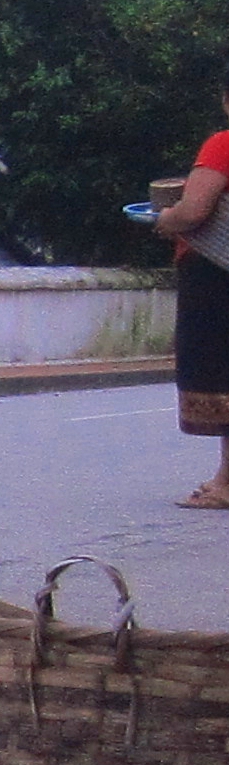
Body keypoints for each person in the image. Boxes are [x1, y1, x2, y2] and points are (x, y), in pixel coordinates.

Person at [155, 70, 229, 508]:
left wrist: (165, 220)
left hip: (217, 277)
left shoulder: (222, 144)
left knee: (220, 376)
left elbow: (194, 211)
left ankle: (226, 484)